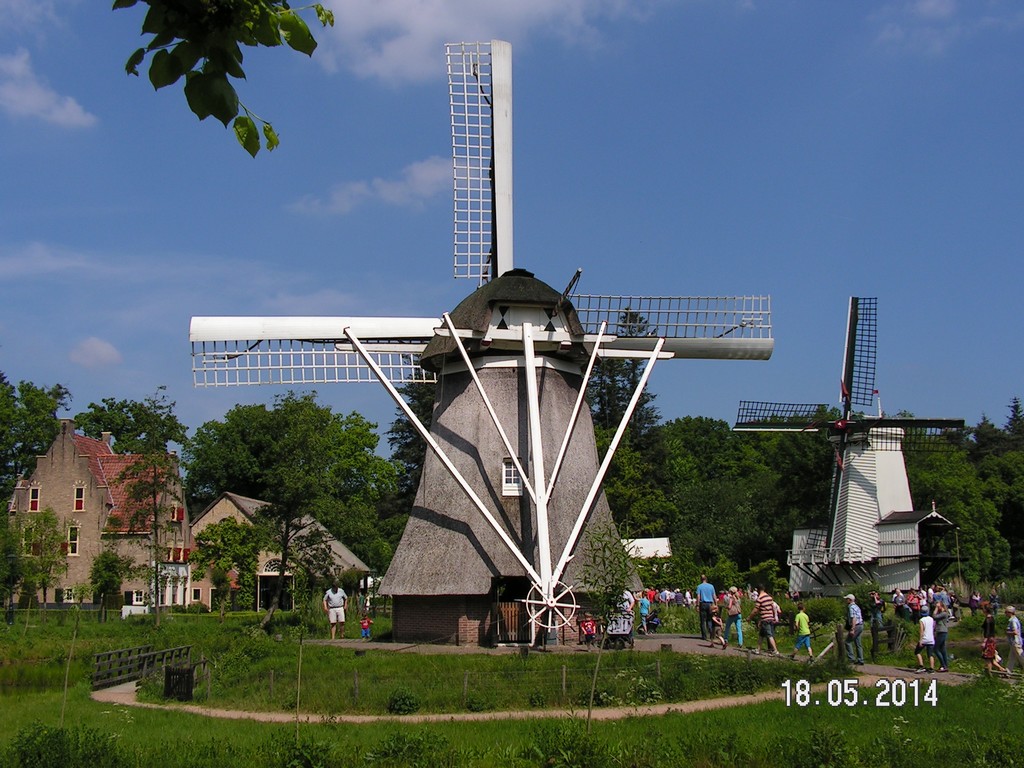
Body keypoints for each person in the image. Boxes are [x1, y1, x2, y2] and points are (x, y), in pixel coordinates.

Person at [751, 586, 779, 656]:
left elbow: (756, 610)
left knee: (769, 635)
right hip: (769, 618)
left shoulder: (760, 598)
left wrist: (750, 617)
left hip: (765, 619)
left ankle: (775, 651)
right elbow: (773, 607)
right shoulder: (769, 597)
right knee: (761, 634)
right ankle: (758, 649)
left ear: (758, 590)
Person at [982, 603, 1007, 675]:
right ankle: (1001, 669)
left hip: (989, 640)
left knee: (988, 659)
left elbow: (988, 631)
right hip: (992, 639)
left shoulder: (988, 620)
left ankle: (990, 675)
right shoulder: (992, 618)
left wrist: (984, 641)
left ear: (985, 610)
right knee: (991, 658)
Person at [844, 593, 865, 666]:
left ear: (850, 600)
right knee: (858, 643)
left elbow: (854, 618)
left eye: (847, 599)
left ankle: (851, 658)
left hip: (856, 625)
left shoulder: (851, 607)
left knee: (847, 641)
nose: (846, 600)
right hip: (861, 625)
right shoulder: (856, 606)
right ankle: (860, 659)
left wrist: (852, 628)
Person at [696, 574, 716, 641]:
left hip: (703, 603)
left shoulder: (699, 587)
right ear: (706, 579)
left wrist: (697, 605)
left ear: (701, 579)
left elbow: (698, 596)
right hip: (710, 604)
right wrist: (715, 604)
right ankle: (711, 634)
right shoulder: (711, 586)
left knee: (702, 621)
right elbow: (714, 596)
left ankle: (704, 636)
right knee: (709, 619)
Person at [932, 601, 950, 672]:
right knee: (942, 649)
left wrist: (936, 609)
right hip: (941, 631)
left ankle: (943, 665)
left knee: (936, 649)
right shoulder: (942, 613)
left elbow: (934, 616)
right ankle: (945, 665)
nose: (937, 608)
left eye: (938, 606)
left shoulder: (944, 613)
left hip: (942, 632)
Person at [1005, 605, 1023, 675]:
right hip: (1013, 643)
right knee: (1011, 658)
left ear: (1010, 612)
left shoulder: (1013, 621)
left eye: (1006, 612)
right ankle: (1008, 673)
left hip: (1016, 642)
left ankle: (1008, 673)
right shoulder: (1014, 620)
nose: (1005, 613)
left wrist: (1007, 632)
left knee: (1021, 657)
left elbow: (1015, 632)